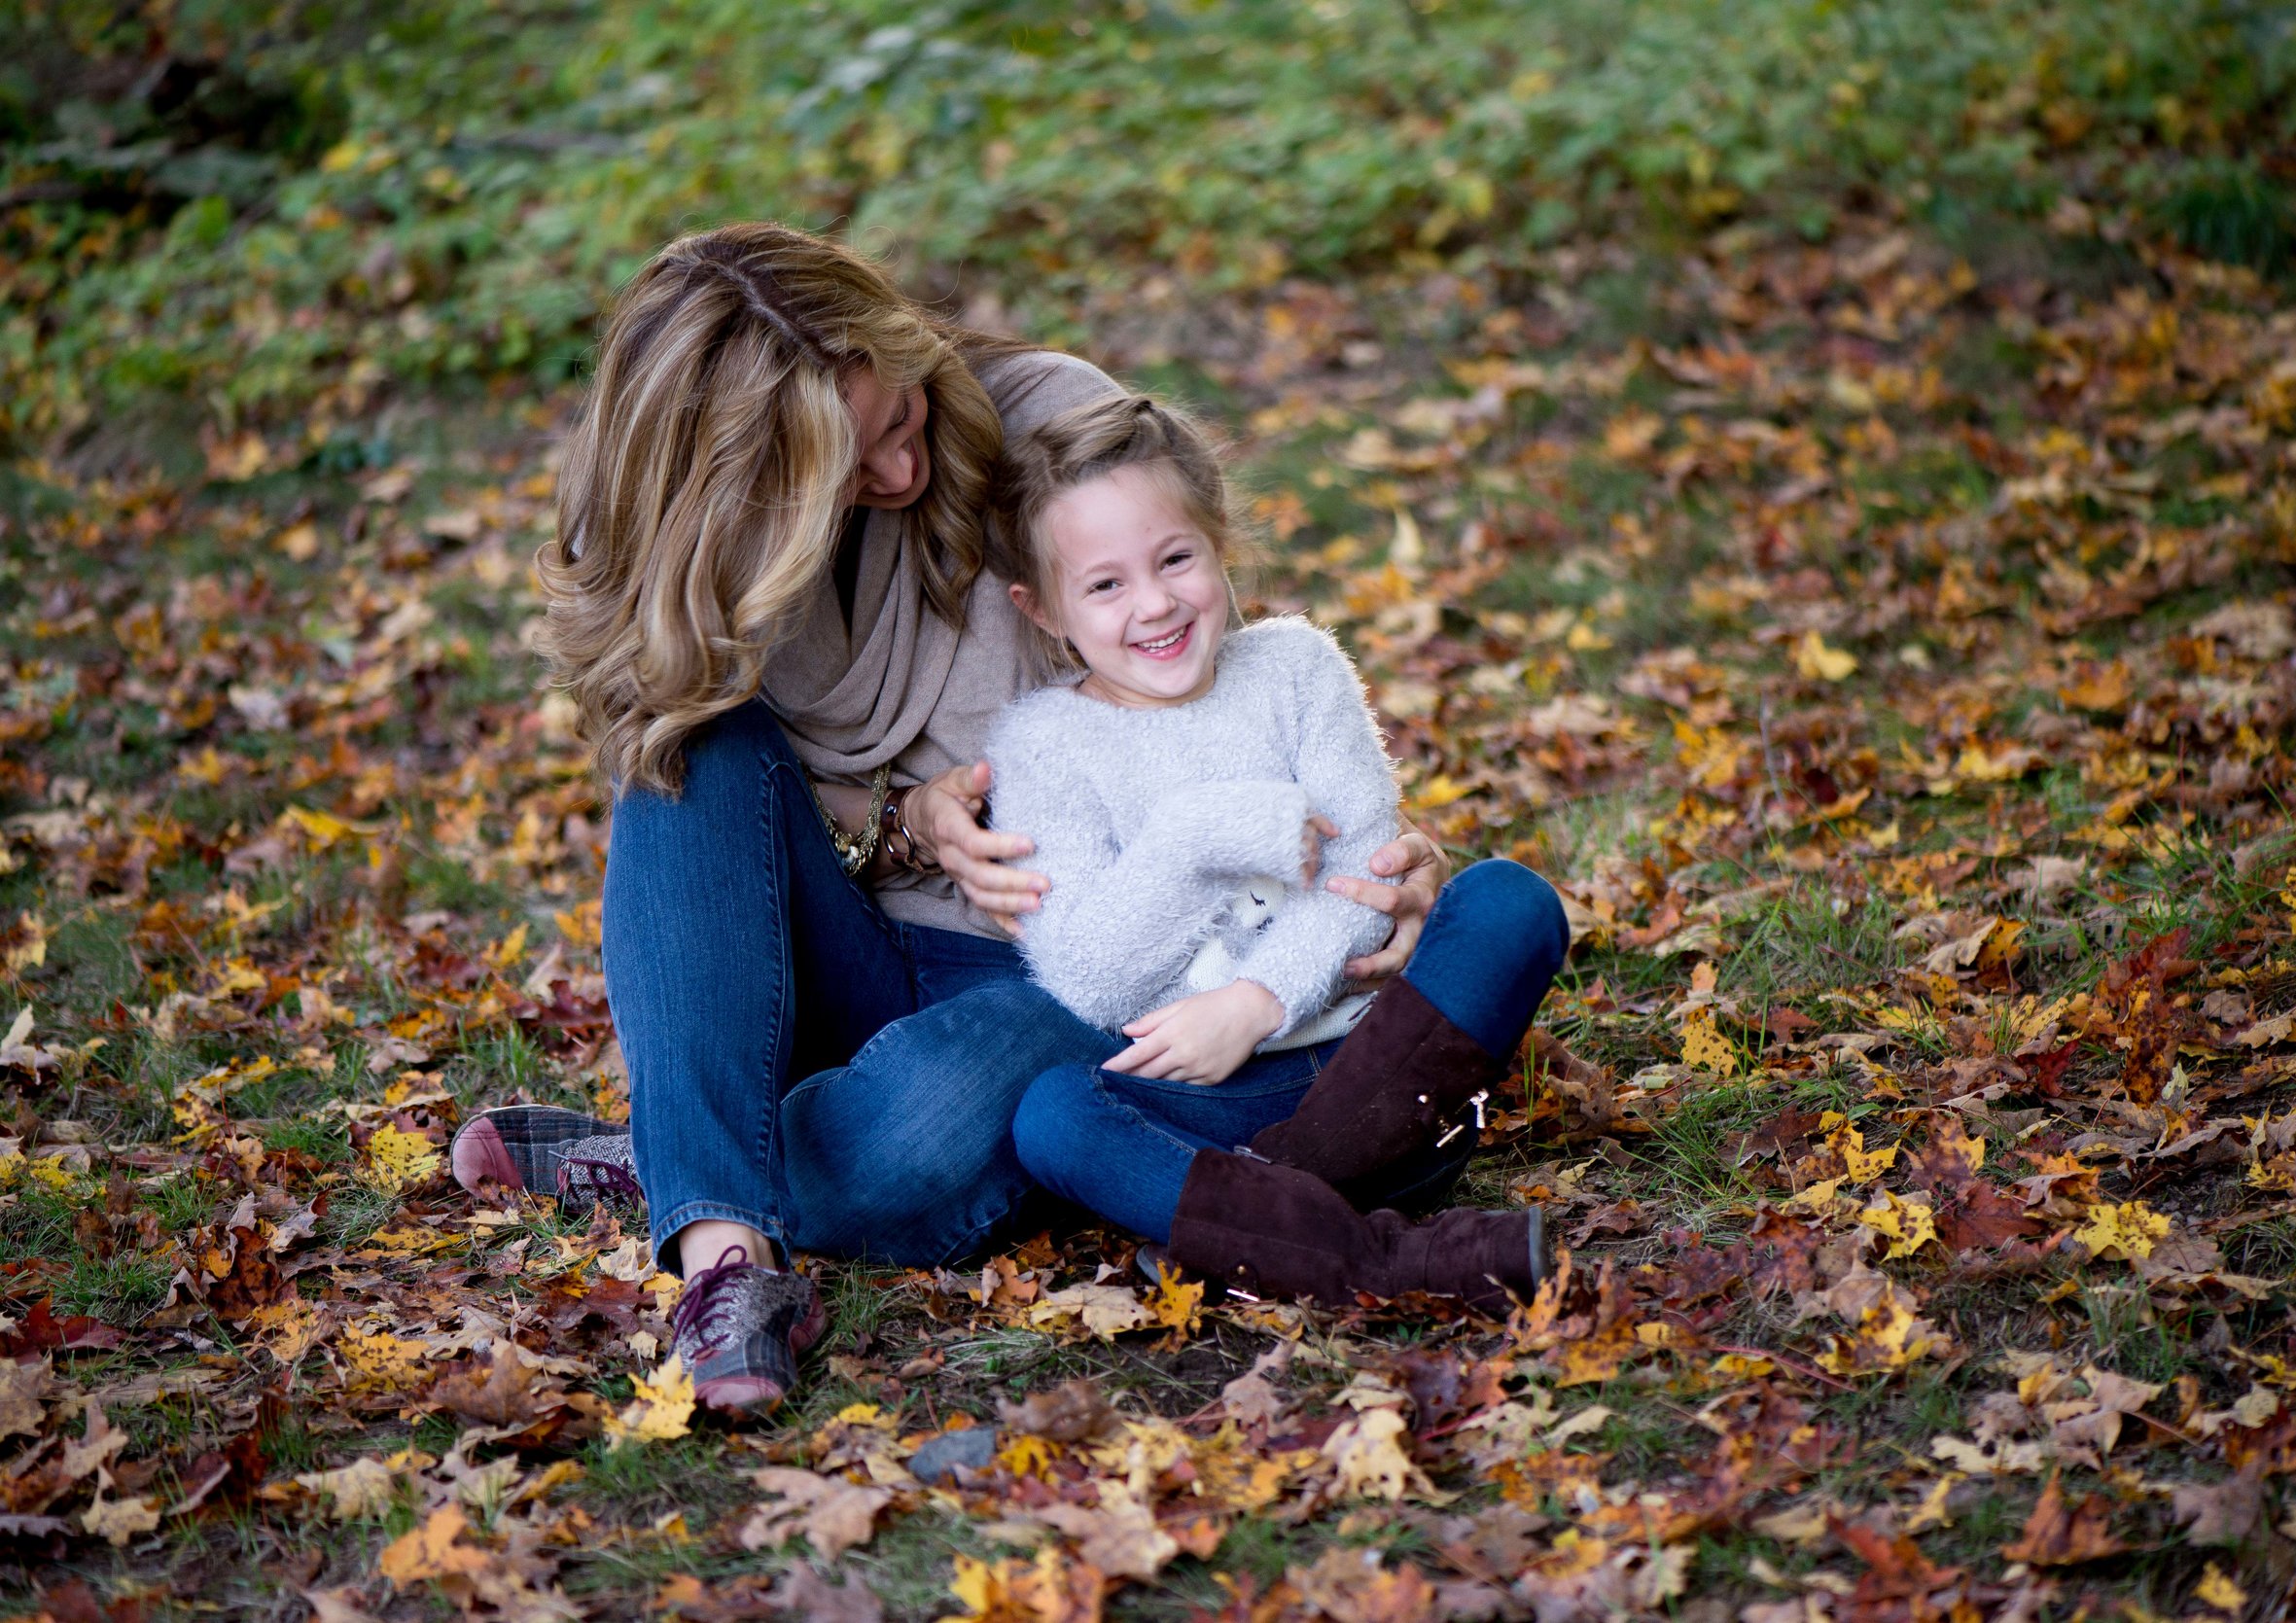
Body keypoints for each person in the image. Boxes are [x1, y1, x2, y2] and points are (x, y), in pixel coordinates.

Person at [442, 224, 1450, 1412]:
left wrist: (1376, 863)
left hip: (1067, 970)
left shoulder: (1046, 430)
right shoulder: (705, 567)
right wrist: (905, 818)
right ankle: (728, 1264)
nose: (898, 477)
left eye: (901, 418)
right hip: (841, 961)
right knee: (686, 747)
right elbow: (726, 844)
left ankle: (686, 1155)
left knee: (908, 1142)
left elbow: (1218, 689)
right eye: (840, 475)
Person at [985, 393, 1572, 1308]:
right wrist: (1201, 832)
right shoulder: (1042, 745)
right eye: (1104, 584)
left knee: (1509, 902)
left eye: (1176, 558)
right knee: (1053, 1115)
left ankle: (1270, 1212)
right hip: (1207, 1100)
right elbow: (1092, 976)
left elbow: (1369, 866)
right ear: (1043, 609)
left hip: (1375, 1057)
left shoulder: (1296, 667)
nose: (1155, 603)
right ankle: (1381, 1256)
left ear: (1220, 545)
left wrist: (1257, 1002)